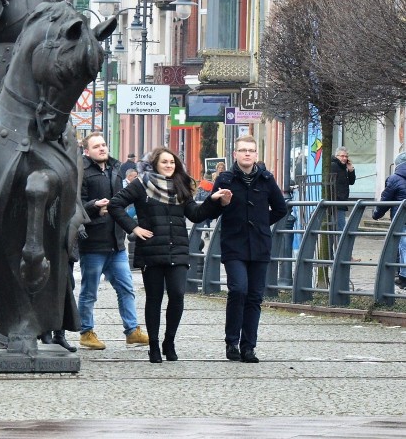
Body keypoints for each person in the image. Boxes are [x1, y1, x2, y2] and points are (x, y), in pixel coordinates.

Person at [108, 147, 230, 363]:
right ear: (155, 164)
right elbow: (115, 205)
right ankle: (153, 345)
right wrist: (133, 228)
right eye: (165, 162)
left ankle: (169, 341)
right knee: (154, 299)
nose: (169, 166)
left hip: (178, 249)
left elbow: (195, 214)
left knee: (177, 294)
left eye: (172, 162)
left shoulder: (180, 186)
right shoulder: (141, 184)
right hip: (151, 250)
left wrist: (216, 201)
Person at [212, 136, 287, 363]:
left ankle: (249, 347)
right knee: (238, 290)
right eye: (243, 150)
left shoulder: (266, 179)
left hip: (260, 245)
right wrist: (219, 202)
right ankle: (231, 341)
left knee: (254, 296)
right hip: (234, 244)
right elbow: (211, 208)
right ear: (235, 154)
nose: (247, 154)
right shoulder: (225, 178)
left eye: (251, 151)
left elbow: (280, 208)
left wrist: (263, 222)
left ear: (256, 155)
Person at [77, 133, 149, 350]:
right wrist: (94, 206)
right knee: (89, 291)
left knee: (126, 288)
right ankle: (86, 332)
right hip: (92, 242)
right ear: (87, 151)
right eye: (96, 146)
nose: (102, 149)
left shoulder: (116, 168)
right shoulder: (81, 171)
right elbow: (77, 203)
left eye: (104, 145)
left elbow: (125, 198)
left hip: (117, 241)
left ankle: (132, 331)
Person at [372, 152, 406, 288]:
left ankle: (403, 277)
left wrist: (376, 214)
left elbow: (385, 201)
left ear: (397, 164)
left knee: (403, 246)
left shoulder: (394, 179)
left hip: (401, 220)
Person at [331, 146, 356, 232]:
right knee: (340, 230)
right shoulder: (334, 166)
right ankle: (340, 245)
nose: (344, 158)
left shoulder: (343, 167)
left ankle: (336, 245)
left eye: (346, 156)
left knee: (337, 230)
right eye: (342, 156)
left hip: (341, 202)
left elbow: (351, 182)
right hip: (336, 203)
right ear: (336, 156)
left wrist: (351, 171)